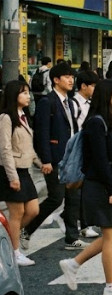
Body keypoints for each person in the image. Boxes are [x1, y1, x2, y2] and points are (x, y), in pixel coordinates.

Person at [58, 80, 112, 295]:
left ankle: (74, 263)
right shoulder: (96, 122)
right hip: (100, 186)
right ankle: (111, 286)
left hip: (108, 185)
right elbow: (101, 160)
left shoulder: (110, 119)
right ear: (106, 96)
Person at [24, 62, 88, 251]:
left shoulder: (68, 102)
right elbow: (42, 133)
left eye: (72, 76)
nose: (71, 80)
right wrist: (45, 160)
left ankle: (71, 237)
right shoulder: (48, 102)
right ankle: (27, 229)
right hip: (55, 159)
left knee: (73, 197)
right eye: (67, 77)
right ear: (56, 80)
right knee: (56, 197)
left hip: (70, 158)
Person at [0, 80, 40, 266]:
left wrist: (40, 163)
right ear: (13, 95)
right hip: (12, 170)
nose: (28, 96)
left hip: (24, 170)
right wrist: (12, 177)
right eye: (24, 93)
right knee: (17, 213)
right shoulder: (6, 118)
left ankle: (7, 238)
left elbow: (27, 146)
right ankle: (14, 252)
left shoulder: (23, 115)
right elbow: (5, 149)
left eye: (28, 93)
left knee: (33, 210)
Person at [73, 71, 101, 239]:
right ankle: (80, 223)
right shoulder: (75, 103)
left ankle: (82, 222)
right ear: (83, 86)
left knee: (82, 189)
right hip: (79, 149)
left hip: (86, 149)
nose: (95, 89)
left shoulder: (89, 103)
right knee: (76, 190)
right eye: (93, 85)